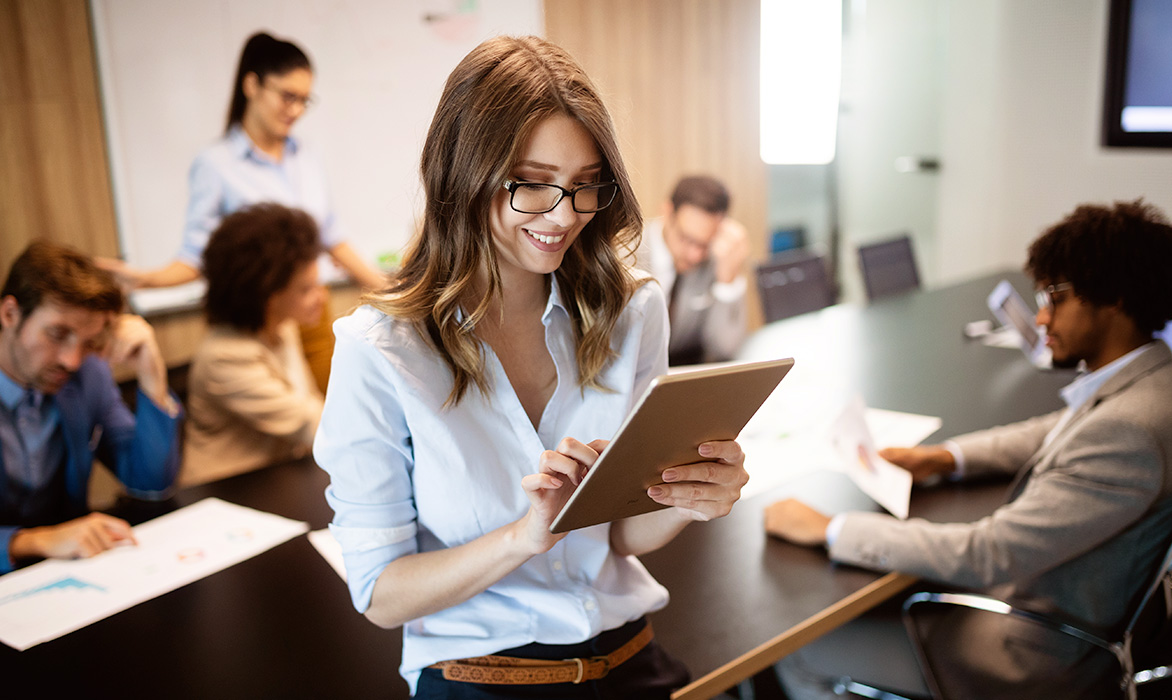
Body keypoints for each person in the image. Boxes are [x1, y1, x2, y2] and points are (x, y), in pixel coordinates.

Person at [314, 36, 749, 698]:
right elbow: (381, 593)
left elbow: (622, 533)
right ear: (462, 173)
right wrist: (523, 537)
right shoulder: (381, 350)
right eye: (532, 184)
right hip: (484, 681)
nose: (564, 215)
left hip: (632, 661)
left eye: (583, 187)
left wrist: (693, 497)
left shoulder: (632, 309)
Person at [763, 200, 1172, 698]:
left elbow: (986, 554)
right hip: (1086, 611)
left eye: (1056, 297)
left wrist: (831, 529)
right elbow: (1055, 430)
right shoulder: (1162, 383)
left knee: (800, 651)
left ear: (1116, 299)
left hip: (1032, 652)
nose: (1041, 317)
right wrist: (946, 457)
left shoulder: (1129, 431)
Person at [99, 31, 385, 391]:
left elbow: (332, 237)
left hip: (312, 311)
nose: (295, 110)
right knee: (292, 424)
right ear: (252, 85)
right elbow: (197, 256)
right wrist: (143, 279)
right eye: (287, 96)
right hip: (259, 323)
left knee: (331, 411)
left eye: (303, 100)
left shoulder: (307, 156)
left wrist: (391, 289)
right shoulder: (216, 165)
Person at [0, 242, 181, 574]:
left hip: (70, 573)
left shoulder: (89, 373)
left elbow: (149, 481)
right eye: (58, 334)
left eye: (87, 342)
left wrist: (151, 374)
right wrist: (33, 541)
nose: (71, 360)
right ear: (10, 314)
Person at [180, 204, 326, 486]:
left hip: (279, 481)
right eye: (306, 289)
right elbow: (306, 422)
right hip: (228, 493)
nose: (321, 297)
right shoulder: (224, 357)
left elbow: (312, 405)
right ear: (267, 295)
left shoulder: (284, 328)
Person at [634, 175, 749, 365]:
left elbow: (724, 350)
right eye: (686, 239)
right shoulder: (625, 255)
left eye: (704, 244)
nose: (695, 255)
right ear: (667, 212)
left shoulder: (717, 260)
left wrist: (727, 282)